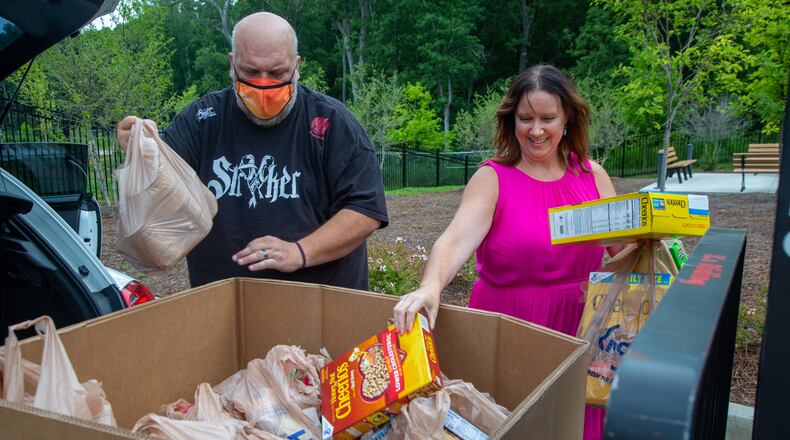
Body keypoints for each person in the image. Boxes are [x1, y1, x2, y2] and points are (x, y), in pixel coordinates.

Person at [392, 64, 618, 440]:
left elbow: (622, 246)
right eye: (525, 118)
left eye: (548, 118)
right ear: (511, 119)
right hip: (509, 325)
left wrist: (658, 239)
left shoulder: (592, 176)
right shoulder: (493, 177)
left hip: (581, 326)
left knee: (571, 426)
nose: (536, 130)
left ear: (568, 120)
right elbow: (454, 239)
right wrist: (430, 286)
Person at [116, 12, 388, 290]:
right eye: (250, 72)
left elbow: (365, 210)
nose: (263, 85)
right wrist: (143, 154)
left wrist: (300, 252)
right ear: (232, 64)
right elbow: (163, 194)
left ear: (297, 66)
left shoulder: (332, 122)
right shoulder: (201, 120)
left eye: (278, 73)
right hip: (224, 304)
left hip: (318, 305)